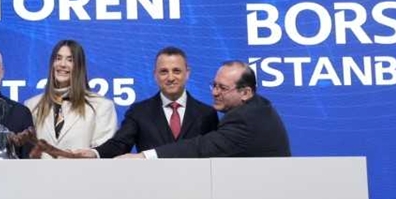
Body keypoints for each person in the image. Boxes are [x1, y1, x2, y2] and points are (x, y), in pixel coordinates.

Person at [117, 60, 291, 159]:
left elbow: (201, 147)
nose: (215, 93)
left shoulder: (244, 119)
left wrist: (145, 156)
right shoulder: (259, 107)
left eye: (223, 88)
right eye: (214, 85)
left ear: (245, 92)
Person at [78, 46, 217, 159]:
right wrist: (94, 153)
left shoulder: (207, 114)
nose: (170, 78)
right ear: (155, 75)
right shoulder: (139, 112)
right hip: (151, 183)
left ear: (187, 73)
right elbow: (119, 144)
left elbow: (215, 152)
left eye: (176, 71)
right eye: (164, 72)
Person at [23, 39, 117, 158]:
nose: (62, 64)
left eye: (70, 60)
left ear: (79, 66)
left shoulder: (102, 106)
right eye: (58, 58)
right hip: (40, 170)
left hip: (83, 170)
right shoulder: (31, 105)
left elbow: (103, 153)